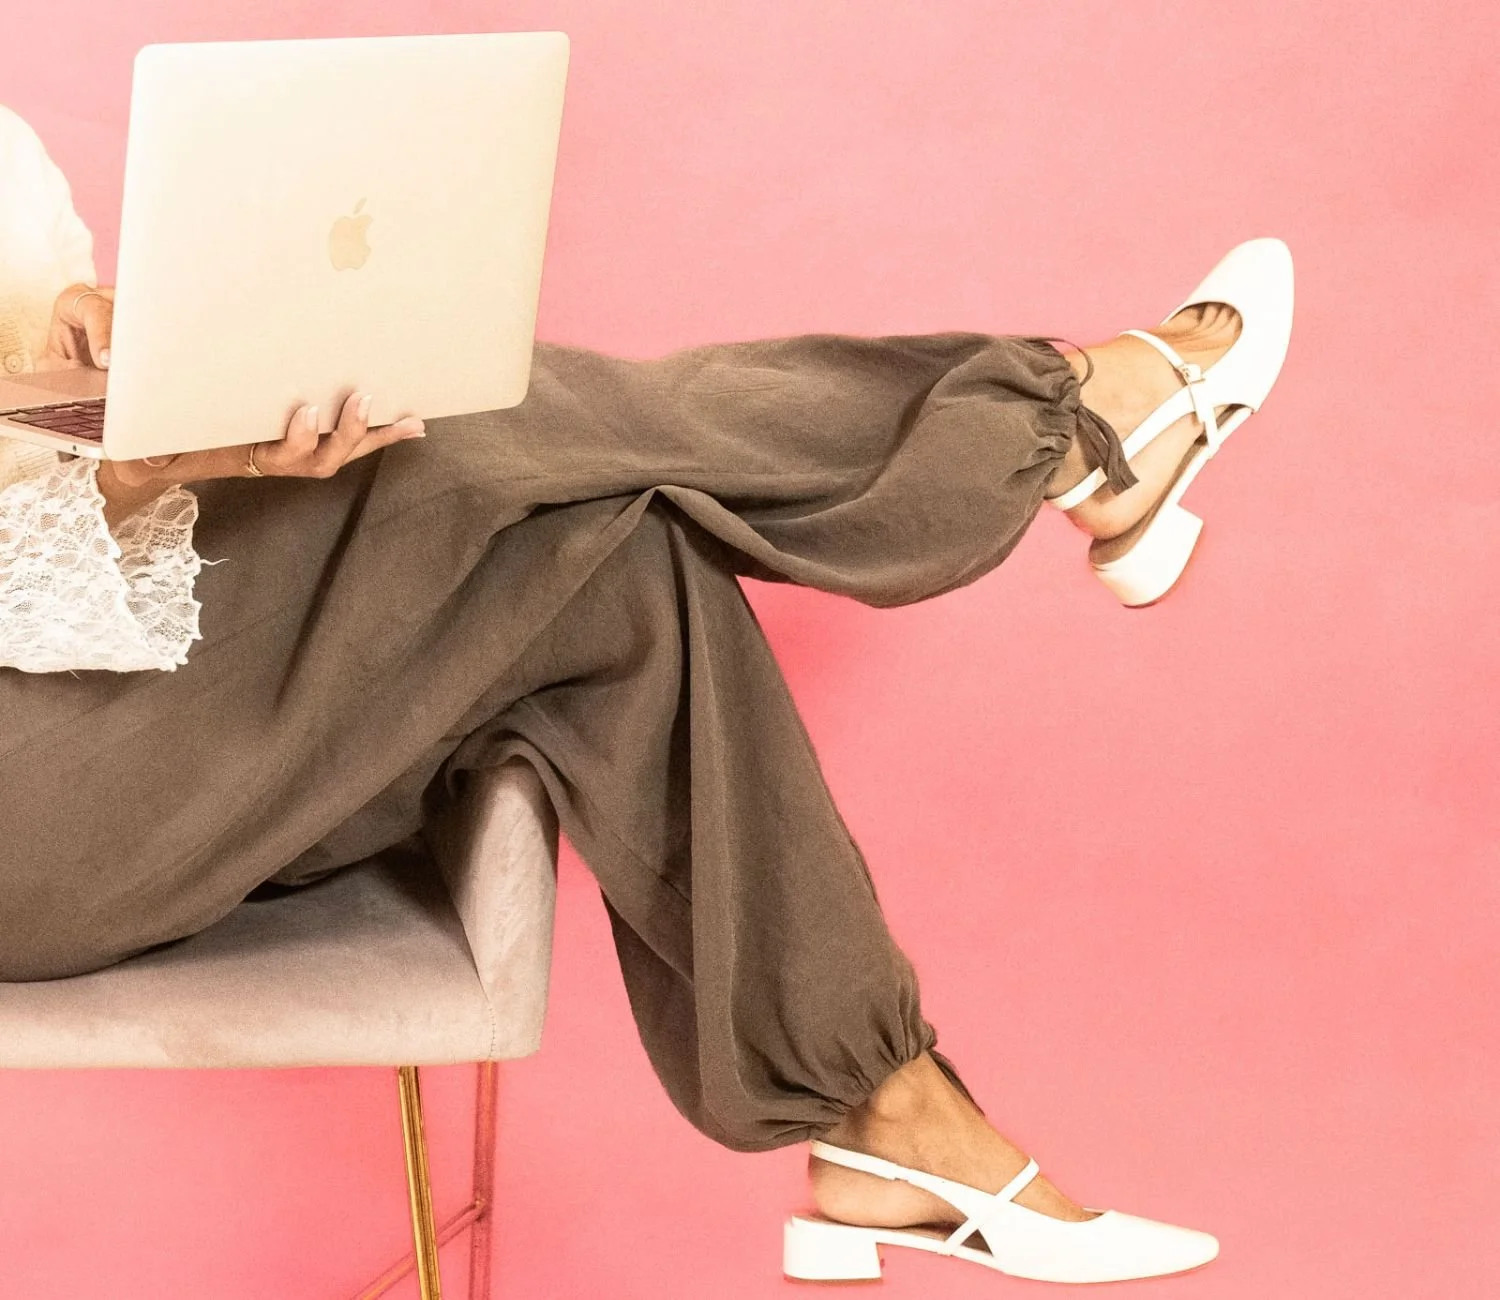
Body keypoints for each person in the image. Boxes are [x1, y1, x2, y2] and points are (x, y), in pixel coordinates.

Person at [0, 101, 1292, 1284]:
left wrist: (114, 364)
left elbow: (50, 420)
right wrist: (123, 473)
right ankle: (1074, 431)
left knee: (605, 550)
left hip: (102, 717)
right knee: (455, 442)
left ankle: (882, 1115)